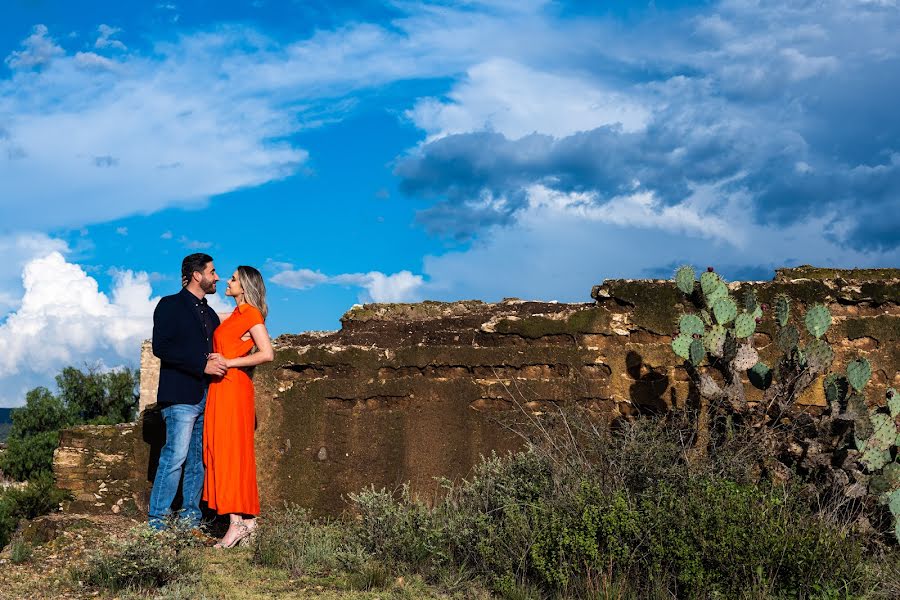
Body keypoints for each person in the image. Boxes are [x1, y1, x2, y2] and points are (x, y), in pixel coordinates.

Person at [148, 253, 226, 530]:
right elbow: (162, 347)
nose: (217, 277)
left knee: (198, 461)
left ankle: (190, 520)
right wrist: (201, 365)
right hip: (180, 395)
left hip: (209, 396)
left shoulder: (212, 314)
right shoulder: (169, 305)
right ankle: (157, 522)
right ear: (197, 275)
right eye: (213, 271)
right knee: (175, 457)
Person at [202, 265, 274, 548]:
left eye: (232, 278)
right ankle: (249, 523)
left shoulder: (252, 314)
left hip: (233, 387)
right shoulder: (234, 315)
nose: (226, 281)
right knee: (223, 451)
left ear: (244, 285)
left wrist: (227, 362)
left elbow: (267, 353)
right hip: (222, 388)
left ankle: (236, 524)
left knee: (230, 452)